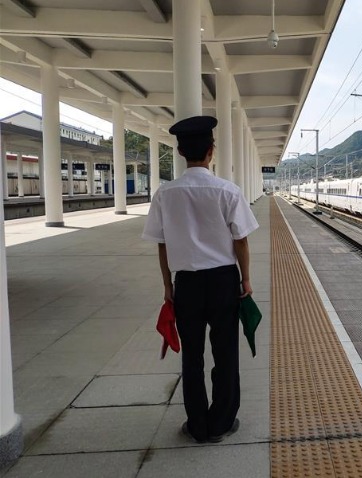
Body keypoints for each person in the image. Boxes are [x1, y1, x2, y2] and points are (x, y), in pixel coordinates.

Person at [141, 115, 259, 443]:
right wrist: (245, 279)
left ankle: (197, 424)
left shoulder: (165, 194)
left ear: (180, 152)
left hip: (187, 285)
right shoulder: (228, 191)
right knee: (225, 354)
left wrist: (168, 286)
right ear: (211, 151)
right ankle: (221, 422)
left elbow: (162, 245)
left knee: (191, 357)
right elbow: (241, 240)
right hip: (223, 281)